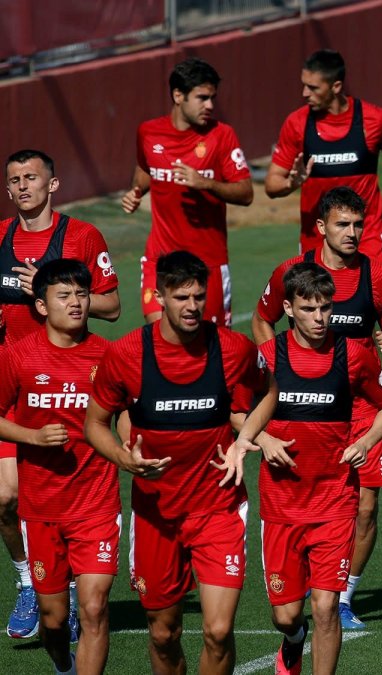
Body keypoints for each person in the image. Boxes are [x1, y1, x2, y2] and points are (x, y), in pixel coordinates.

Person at [84, 251, 273, 675]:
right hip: (157, 515)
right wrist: (123, 459)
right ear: (159, 296)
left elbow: (268, 390)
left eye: (199, 297)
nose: (191, 306)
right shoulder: (127, 353)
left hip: (218, 510)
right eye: (181, 296)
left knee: (219, 631)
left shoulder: (232, 348)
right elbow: (94, 423)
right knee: (163, 634)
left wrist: (244, 440)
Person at [251, 186, 382, 630]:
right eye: (343, 224)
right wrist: (276, 369)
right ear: (320, 227)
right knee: (300, 488)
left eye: (359, 225)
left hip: (363, 404)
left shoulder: (379, 277)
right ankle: (303, 582)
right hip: (304, 402)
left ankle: (342, 595)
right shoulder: (293, 272)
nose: (353, 233)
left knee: (364, 506)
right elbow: (261, 316)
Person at [249, 263, 382, 675]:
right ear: (288, 308)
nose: (319, 318)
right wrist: (263, 439)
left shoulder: (353, 354)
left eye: (326, 309)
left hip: (335, 501)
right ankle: (293, 643)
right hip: (281, 506)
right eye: (309, 309)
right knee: (286, 616)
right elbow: (234, 409)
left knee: (327, 607)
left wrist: (365, 441)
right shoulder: (266, 357)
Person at [2, 149, 120, 641]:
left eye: (32, 177)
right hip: (14, 382)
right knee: (5, 498)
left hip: (69, 385)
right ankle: (30, 578)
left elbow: (112, 306)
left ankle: (67, 589)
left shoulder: (81, 237)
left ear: (54, 184)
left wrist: (51, 288)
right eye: (14, 180)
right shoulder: (0, 237)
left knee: (68, 496)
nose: (23, 185)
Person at [0, 260, 116, 675]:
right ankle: (63, 665)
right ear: (42, 305)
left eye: (82, 295)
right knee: (53, 622)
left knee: (95, 607)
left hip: (97, 506)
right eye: (64, 296)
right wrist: (31, 437)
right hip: (42, 509)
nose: (76, 303)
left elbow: (132, 409)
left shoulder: (109, 356)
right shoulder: (18, 357)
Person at [121, 57, 252, 327]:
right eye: (202, 98)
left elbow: (246, 192)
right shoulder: (148, 132)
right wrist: (136, 191)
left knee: (212, 347)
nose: (210, 106)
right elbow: (145, 168)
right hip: (160, 256)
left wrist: (207, 184)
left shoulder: (222, 135)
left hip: (208, 263)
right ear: (178, 95)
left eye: (212, 98)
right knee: (158, 337)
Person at [265, 48, 382, 260]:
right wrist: (290, 184)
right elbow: (271, 184)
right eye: (303, 85)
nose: (304, 93)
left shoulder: (374, 120)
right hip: (316, 243)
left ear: (336, 86)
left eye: (313, 88)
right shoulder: (297, 124)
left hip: (365, 238)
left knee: (364, 293)